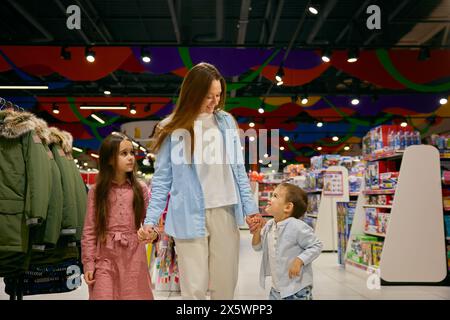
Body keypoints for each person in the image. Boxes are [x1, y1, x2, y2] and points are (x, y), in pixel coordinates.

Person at [137, 62, 262, 300]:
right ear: (192, 93)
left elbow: (238, 170)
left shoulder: (225, 122)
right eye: (208, 96)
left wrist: (251, 209)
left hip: (224, 211)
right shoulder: (170, 127)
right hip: (187, 214)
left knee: (225, 286)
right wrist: (150, 221)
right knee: (193, 289)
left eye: (218, 95)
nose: (215, 102)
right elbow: (163, 180)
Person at [81, 132, 159, 300]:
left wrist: (152, 234)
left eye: (132, 153)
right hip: (104, 257)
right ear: (109, 159)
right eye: (124, 153)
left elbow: (150, 224)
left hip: (133, 257)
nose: (130, 157)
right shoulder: (97, 191)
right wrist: (88, 263)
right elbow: (89, 230)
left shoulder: (140, 189)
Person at [252, 183, 323, 300]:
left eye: (275, 196)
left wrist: (300, 260)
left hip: (297, 289)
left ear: (288, 207)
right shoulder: (270, 225)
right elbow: (257, 247)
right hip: (277, 289)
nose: (270, 199)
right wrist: (257, 231)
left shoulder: (297, 226)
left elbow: (316, 245)